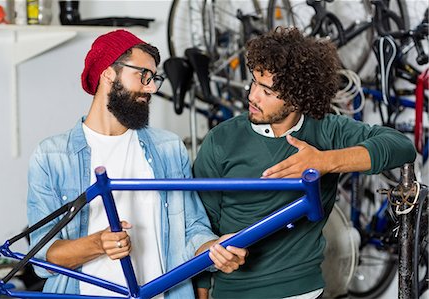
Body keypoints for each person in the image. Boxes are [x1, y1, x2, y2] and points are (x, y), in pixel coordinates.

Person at [193, 27, 416, 299]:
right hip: (234, 292)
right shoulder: (221, 140)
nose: (252, 96)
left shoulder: (327, 131)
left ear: (297, 96)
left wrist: (326, 161)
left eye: (267, 90)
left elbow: (400, 146)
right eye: (254, 83)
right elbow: (202, 222)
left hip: (303, 292)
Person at [27, 29, 247, 298]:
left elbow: (192, 228)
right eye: (143, 75)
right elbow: (41, 256)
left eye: (154, 78)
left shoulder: (168, 148)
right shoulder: (51, 156)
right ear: (109, 73)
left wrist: (214, 249)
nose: (152, 87)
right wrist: (97, 244)